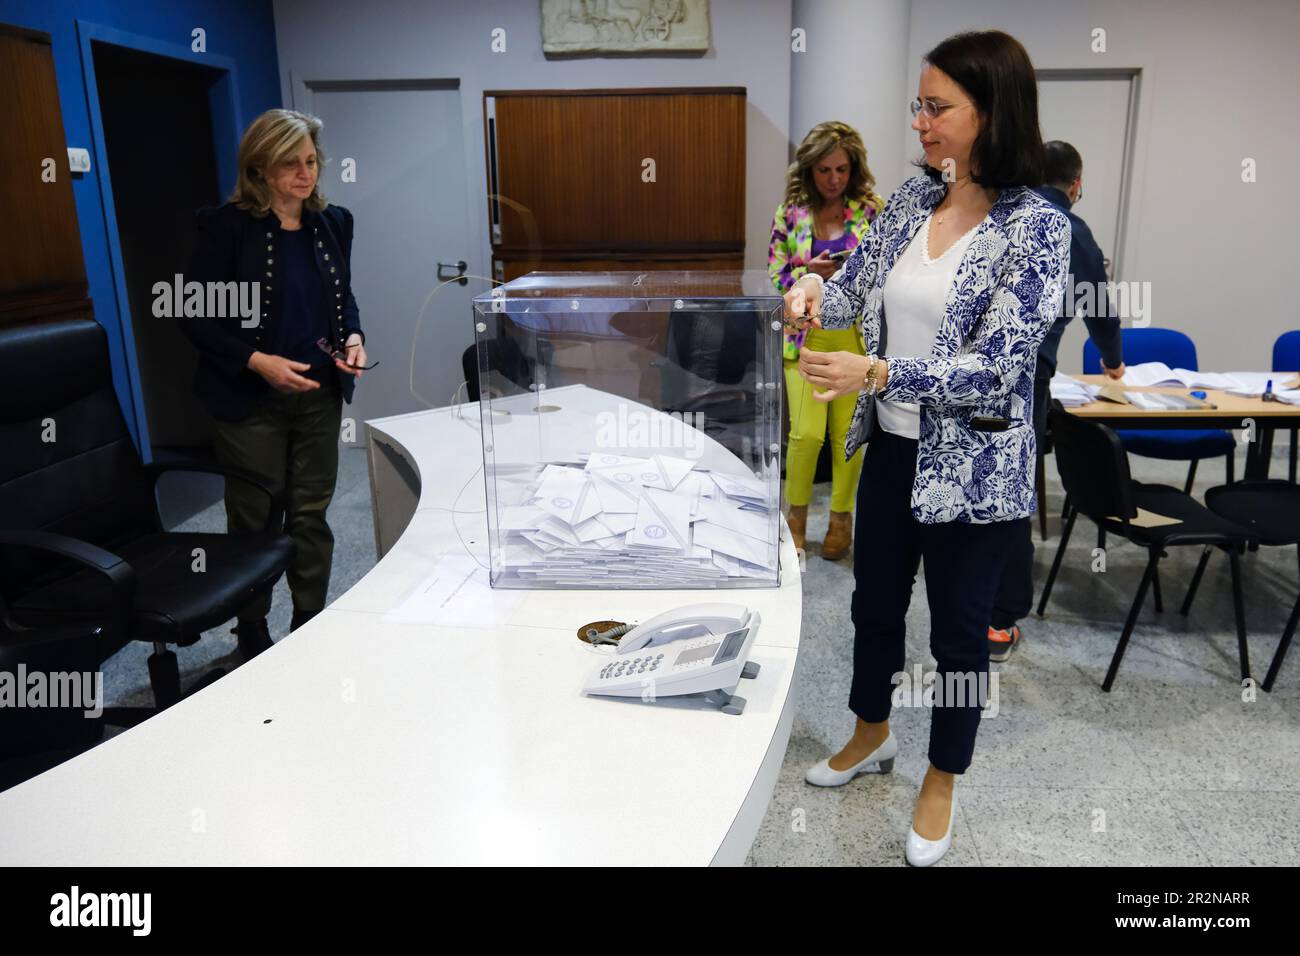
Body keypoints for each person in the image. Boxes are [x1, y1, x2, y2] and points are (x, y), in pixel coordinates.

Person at [783, 30, 1071, 865]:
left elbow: (997, 368)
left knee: (959, 637)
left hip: (975, 468)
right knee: (874, 607)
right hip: (897, 453)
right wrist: (814, 285)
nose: (921, 122)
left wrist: (876, 370)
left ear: (992, 111)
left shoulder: (1036, 229)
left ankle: (942, 776)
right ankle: (872, 732)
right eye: (919, 104)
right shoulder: (914, 201)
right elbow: (857, 281)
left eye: (937, 107)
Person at [181, 109, 370, 658]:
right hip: (250, 398)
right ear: (260, 168)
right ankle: (254, 635)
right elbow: (192, 316)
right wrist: (256, 360)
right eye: (290, 163)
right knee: (255, 518)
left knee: (312, 514)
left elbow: (341, 297)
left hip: (319, 392)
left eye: (310, 161)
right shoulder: (225, 228)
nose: (304, 173)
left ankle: (309, 626)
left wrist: (353, 335)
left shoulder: (334, 222)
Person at [986, 140, 1126, 661]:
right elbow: (1100, 310)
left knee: (974, 481)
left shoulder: (1001, 213)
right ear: (1077, 184)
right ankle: (999, 625)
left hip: (962, 374)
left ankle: (962, 602)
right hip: (1024, 380)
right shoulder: (1070, 229)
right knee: (1013, 493)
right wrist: (1113, 363)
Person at [768, 122, 885, 559]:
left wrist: (849, 271)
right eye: (824, 170)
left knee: (846, 436)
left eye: (842, 169)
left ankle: (841, 518)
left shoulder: (872, 210)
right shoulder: (791, 212)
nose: (834, 179)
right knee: (805, 436)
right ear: (809, 170)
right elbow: (775, 275)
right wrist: (808, 270)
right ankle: (794, 516)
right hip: (805, 339)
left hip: (855, 339)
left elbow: (886, 274)